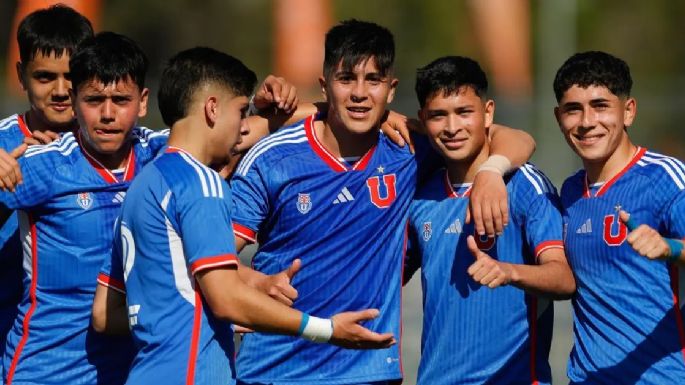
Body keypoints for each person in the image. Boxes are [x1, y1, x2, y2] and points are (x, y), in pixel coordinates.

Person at [230, 19, 535, 384]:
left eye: (373, 80)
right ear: (325, 85)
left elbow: (513, 137)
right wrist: (255, 282)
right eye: (346, 79)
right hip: (274, 370)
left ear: (391, 90)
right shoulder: (272, 157)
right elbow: (208, 258)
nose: (360, 93)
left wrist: (491, 171)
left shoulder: (410, 149)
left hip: (369, 369)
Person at [95, 46, 396, 385]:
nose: (243, 127)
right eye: (241, 111)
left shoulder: (143, 183)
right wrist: (325, 329)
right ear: (212, 109)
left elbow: (105, 314)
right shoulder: (201, 183)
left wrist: (242, 292)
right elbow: (226, 300)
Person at [404, 56, 575, 385]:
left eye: (464, 112)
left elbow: (564, 278)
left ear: (489, 112)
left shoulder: (525, 186)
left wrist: (509, 271)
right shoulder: (421, 196)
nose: (453, 128)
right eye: (439, 115)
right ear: (423, 120)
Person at [554, 51, 685, 384]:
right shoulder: (569, 192)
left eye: (600, 106)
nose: (586, 121)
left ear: (628, 112)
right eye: (573, 109)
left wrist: (669, 246)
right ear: (559, 119)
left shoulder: (665, 178)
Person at [0, 4, 94, 365]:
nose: (60, 90)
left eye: (71, 76)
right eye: (44, 77)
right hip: (17, 349)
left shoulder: (116, 147)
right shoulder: (5, 145)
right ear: (21, 75)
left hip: (97, 355)